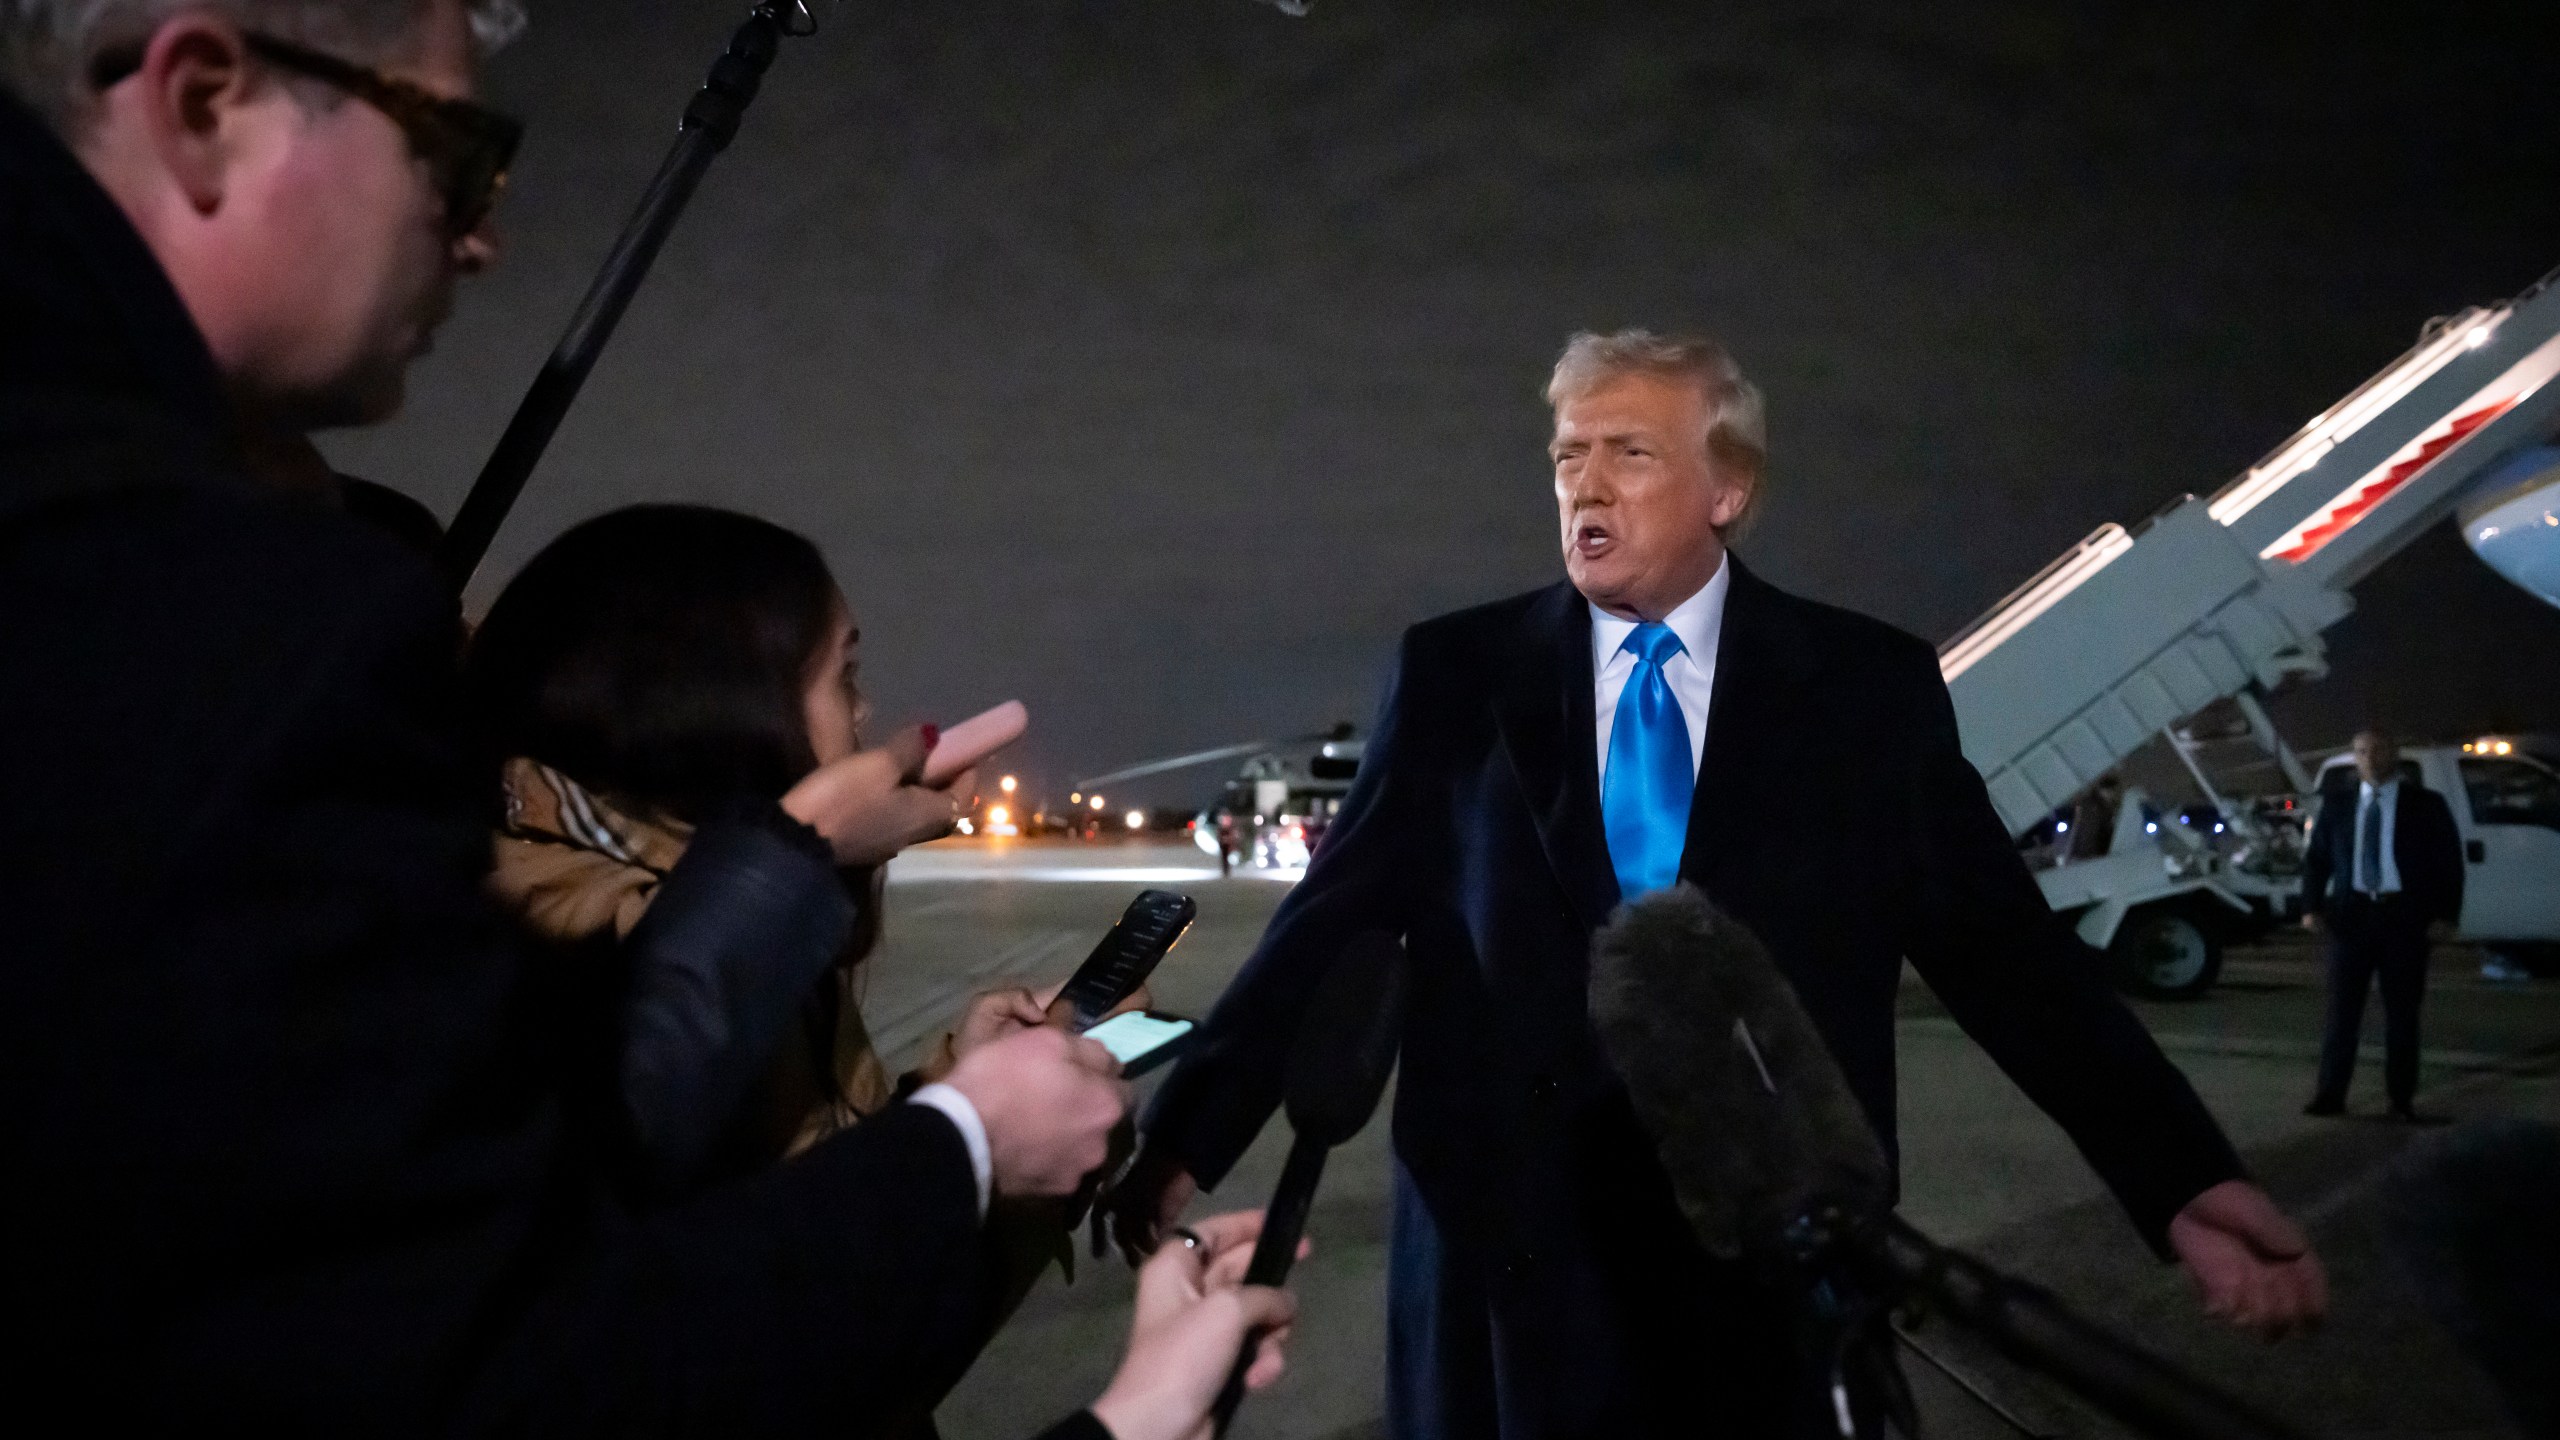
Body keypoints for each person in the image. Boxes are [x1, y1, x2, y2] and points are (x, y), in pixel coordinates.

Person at [0, 3, 1286, 1433]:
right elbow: (484, 1350)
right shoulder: (193, 608)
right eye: (458, 150)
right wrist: (980, 1166)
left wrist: (963, 1118)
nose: (480, 233)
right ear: (203, 102)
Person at [1110, 330, 2329, 1438]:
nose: (1583, 485)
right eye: (1566, 456)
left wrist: (2180, 1176)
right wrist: (1186, 1138)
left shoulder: (1864, 689)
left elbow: (2008, 956)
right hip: (1513, 1256)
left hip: (1766, 1266)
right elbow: (1333, 922)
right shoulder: (1455, 672)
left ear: (1726, 489)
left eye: (1628, 453)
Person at [2300, 729, 2465, 1121]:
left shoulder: (2425, 805)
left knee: (2402, 1015)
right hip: (2351, 918)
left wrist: (2446, 916)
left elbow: (2448, 864)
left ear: (2394, 754)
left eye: (2376, 750)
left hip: (2404, 921)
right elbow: (2317, 859)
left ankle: (2401, 1099)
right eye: (2360, 751)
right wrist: (2310, 907)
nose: (2369, 759)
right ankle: (2330, 1095)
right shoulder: (2338, 805)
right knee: (2342, 1013)